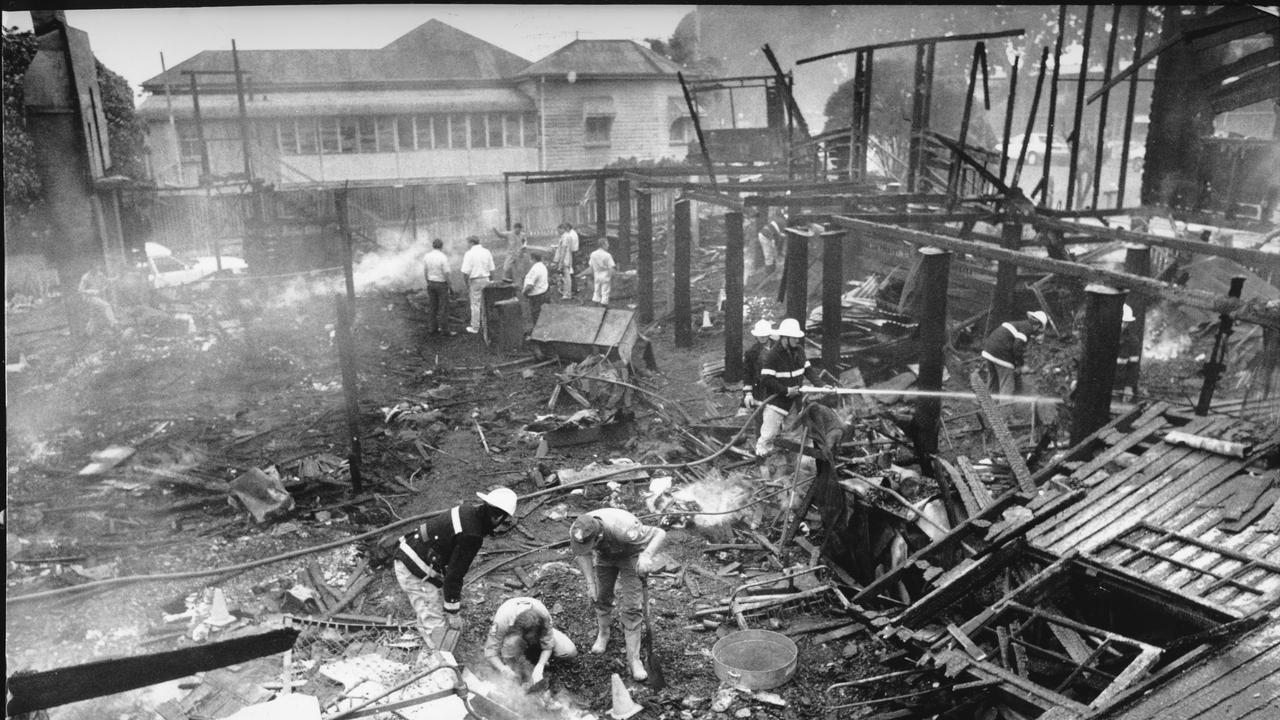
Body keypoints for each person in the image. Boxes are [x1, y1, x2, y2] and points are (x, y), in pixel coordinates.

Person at [392, 487, 518, 655]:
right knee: (435, 625)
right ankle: (442, 669)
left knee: (431, 608)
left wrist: (450, 602)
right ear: (497, 517)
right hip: (414, 570)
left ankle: (429, 641)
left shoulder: (467, 510)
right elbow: (454, 575)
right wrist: (453, 613)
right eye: (504, 522)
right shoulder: (472, 535)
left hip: (413, 553)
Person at [570, 508, 667, 681]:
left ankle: (634, 659)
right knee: (600, 596)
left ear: (598, 537)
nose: (586, 547)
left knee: (632, 607)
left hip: (631, 555)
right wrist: (590, 583)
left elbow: (660, 533)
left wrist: (646, 555)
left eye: (589, 543)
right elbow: (582, 554)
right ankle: (604, 633)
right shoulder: (579, 529)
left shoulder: (625, 529)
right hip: (605, 555)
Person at [755, 317, 821, 459]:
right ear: (785, 338)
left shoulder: (799, 351)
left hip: (795, 402)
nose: (798, 340)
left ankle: (793, 467)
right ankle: (763, 464)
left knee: (794, 436)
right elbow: (766, 379)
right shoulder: (772, 355)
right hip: (777, 403)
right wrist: (785, 391)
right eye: (795, 337)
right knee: (769, 435)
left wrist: (821, 385)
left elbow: (808, 370)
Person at [483, 596, 577, 687]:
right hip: (512, 633)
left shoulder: (542, 616)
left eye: (535, 636)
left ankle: (534, 651)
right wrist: (503, 669)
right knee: (511, 643)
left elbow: (548, 645)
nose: (532, 640)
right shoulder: (502, 621)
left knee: (569, 651)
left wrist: (540, 666)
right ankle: (515, 659)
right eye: (530, 638)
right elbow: (490, 652)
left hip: (536, 632)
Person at [982, 310, 1047, 398]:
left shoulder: (1020, 325)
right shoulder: (1027, 328)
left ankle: (987, 406)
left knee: (994, 380)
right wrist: (1021, 365)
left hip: (989, 350)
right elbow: (1017, 346)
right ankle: (1004, 410)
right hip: (1001, 353)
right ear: (1037, 325)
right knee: (1007, 385)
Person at [460, 235, 495, 335]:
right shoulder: (486, 251)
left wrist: (467, 284)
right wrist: (492, 281)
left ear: (471, 243)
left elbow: (465, 272)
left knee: (475, 304)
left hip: (475, 280)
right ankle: (487, 325)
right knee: (486, 303)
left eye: (468, 243)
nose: (467, 245)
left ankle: (475, 327)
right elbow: (492, 269)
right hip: (486, 279)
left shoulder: (469, 254)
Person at [741, 319, 776, 411]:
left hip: (778, 389)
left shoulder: (779, 348)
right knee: (760, 418)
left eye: (765, 334)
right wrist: (748, 393)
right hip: (760, 390)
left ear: (769, 334)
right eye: (760, 335)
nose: (762, 337)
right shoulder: (751, 353)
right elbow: (747, 373)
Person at [423, 238, 455, 336]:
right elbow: (446, 273)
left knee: (432, 307)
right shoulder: (443, 257)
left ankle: (432, 328)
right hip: (441, 284)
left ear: (433, 246)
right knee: (443, 307)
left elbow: (425, 270)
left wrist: (427, 281)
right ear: (442, 246)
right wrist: (450, 286)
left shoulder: (427, 256)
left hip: (431, 283)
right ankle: (445, 330)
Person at [78, 263, 119, 333]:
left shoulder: (100, 274)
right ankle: (114, 323)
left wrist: (116, 278)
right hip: (89, 298)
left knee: (93, 317)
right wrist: (91, 291)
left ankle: (87, 333)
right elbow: (80, 290)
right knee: (106, 306)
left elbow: (107, 281)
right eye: (95, 269)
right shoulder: (85, 277)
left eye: (98, 269)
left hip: (97, 297)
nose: (97, 271)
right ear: (91, 269)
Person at [1115, 303, 1140, 400]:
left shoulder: (1133, 342)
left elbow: (1133, 367)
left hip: (1120, 388)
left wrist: (1129, 387)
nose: (1123, 325)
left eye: (1126, 322)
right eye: (1121, 322)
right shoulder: (1102, 337)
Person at [523, 250, 551, 327]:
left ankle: (537, 335)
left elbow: (529, 285)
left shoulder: (535, 269)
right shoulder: (543, 266)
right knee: (544, 317)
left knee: (536, 317)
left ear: (533, 259)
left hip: (537, 297)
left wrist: (524, 292)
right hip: (544, 293)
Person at [552, 222, 579, 300]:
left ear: (562, 229)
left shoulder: (565, 237)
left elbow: (563, 250)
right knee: (566, 276)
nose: (558, 232)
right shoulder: (567, 236)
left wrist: (560, 261)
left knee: (566, 277)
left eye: (558, 230)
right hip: (568, 258)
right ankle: (567, 293)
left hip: (565, 259)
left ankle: (567, 294)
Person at [588, 237, 616, 307]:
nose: (608, 245)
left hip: (596, 273)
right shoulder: (607, 255)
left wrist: (592, 273)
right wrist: (612, 275)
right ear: (604, 245)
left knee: (597, 288)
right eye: (607, 244)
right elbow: (611, 266)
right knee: (605, 290)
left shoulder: (593, 254)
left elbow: (591, 265)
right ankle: (604, 303)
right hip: (605, 273)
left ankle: (595, 302)